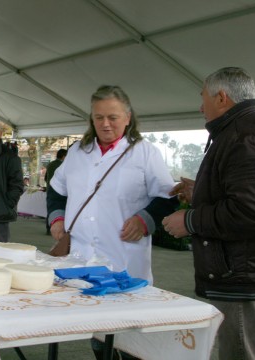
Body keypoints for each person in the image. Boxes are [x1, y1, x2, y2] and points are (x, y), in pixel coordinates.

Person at [48, 85, 176, 359]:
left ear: (128, 117)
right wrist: (56, 217)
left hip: (124, 261)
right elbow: (56, 189)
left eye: (113, 117)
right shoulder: (77, 152)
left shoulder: (144, 153)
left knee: (129, 340)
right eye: (98, 117)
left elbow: (168, 197)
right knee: (97, 337)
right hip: (81, 262)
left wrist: (145, 220)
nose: (105, 124)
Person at [163, 67, 255, 360]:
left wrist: (189, 220)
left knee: (242, 351)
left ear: (221, 97)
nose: (200, 106)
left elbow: (251, 212)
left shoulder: (243, 136)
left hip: (242, 276)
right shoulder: (243, 130)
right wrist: (201, 192)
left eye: (203, 97)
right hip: (243, 271)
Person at [44, 148, 67, 234]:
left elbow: (46, 177)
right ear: (63, 156)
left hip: (50, 188)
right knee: (58, 208)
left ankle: (48, 227)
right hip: (59, 191)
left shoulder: (50, 164)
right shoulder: (62, 165)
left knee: (50, 208)